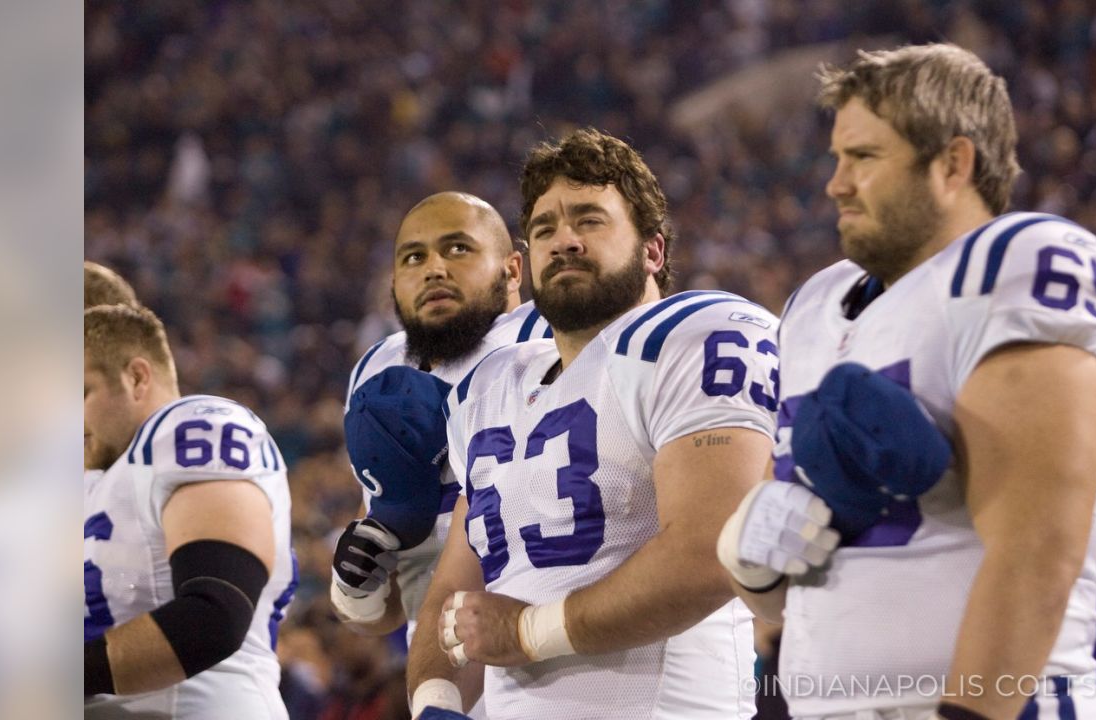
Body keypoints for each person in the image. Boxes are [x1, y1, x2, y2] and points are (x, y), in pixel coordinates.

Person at [717, 44, 1096, 720]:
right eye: (836, 159)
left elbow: (1036, 551)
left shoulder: (1021, 261)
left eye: (865, 158)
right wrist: (753, 567)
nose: (835, 184)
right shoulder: (815, 304)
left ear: (952, 164)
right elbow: (794, 571)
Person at [405, 128, 779, 720]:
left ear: (653, 251)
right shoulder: (487, 389)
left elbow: (715, 548)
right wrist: (437, 701)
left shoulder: (694, 334)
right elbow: (455, 588)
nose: (565, 241)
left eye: (590, 220)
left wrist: (528, 632)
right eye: (545, 228)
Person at [330, 192, 550, 714]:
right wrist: (354, 590)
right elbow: (400, 587)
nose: (433, 269)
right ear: (393, 283)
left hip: (565, 661)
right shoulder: (378, 373)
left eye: (457, 249)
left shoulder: (555, 331)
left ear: (512, 267)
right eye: (414, 257)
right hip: (443, 676)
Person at [83, 303, 297, 718]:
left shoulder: (191, 428)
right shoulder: (98, 479)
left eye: (80, 392)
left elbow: (214, 613)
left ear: (137, 377)